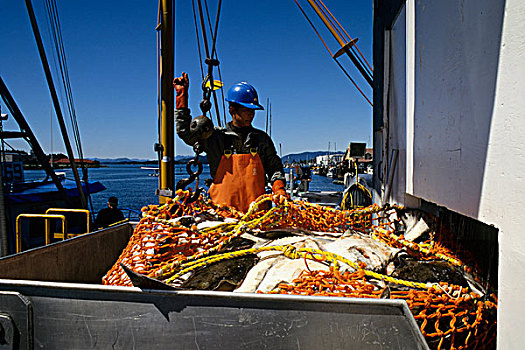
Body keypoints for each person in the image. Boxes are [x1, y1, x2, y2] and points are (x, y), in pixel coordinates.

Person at [174, 72, 286, 212]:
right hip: (223, 216)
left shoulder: (261, 139)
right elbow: (185, 134)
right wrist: (181, 96)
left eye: (253, 110)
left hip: (258, 216)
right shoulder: (215, 138)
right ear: (232, 109)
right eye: (247, 110)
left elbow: (275, 169)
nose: (251, 114)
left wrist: (279, 189)